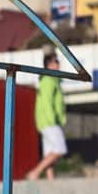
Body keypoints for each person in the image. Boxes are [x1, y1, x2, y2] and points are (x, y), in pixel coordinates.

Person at [27, 52, 66, 180]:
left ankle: (51, 180)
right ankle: (35, 173)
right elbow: (47, 102)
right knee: (60, 149)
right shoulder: (49, 80)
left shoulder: (54, 80)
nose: (57, 64)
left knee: (50, 152)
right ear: (48, 65)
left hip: (48, 121)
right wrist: (52, 120)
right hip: (49, 121)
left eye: (58, 61)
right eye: (55, 62)